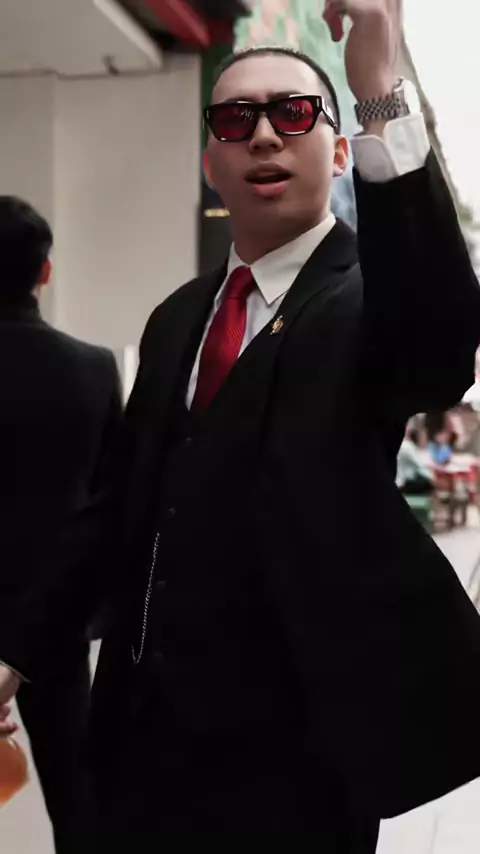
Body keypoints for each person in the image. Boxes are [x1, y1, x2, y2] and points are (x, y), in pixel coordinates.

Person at [2, 1, 480, 850]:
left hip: (298, 758)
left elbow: (438, 348)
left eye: (294, 114)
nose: (263, 135)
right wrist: (19, 652)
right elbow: (117, 508)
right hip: (142, 744)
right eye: (235, 120)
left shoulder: (370, 302)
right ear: (210, 163)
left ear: (340, 152)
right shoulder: (177, 318)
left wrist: (376, 87)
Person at [0, 197, 122, 853]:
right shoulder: (92, 369)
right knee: (80, 807)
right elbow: (111, 502)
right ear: (45, 272)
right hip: (54, 620)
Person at [397, 426, 434, 495]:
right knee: (427, 482)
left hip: (405, 480)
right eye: (423, 437)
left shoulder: (409, 446)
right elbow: (420, 465)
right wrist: (433, 478)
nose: (425, 440)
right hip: (403, 483)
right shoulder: (407, 446)